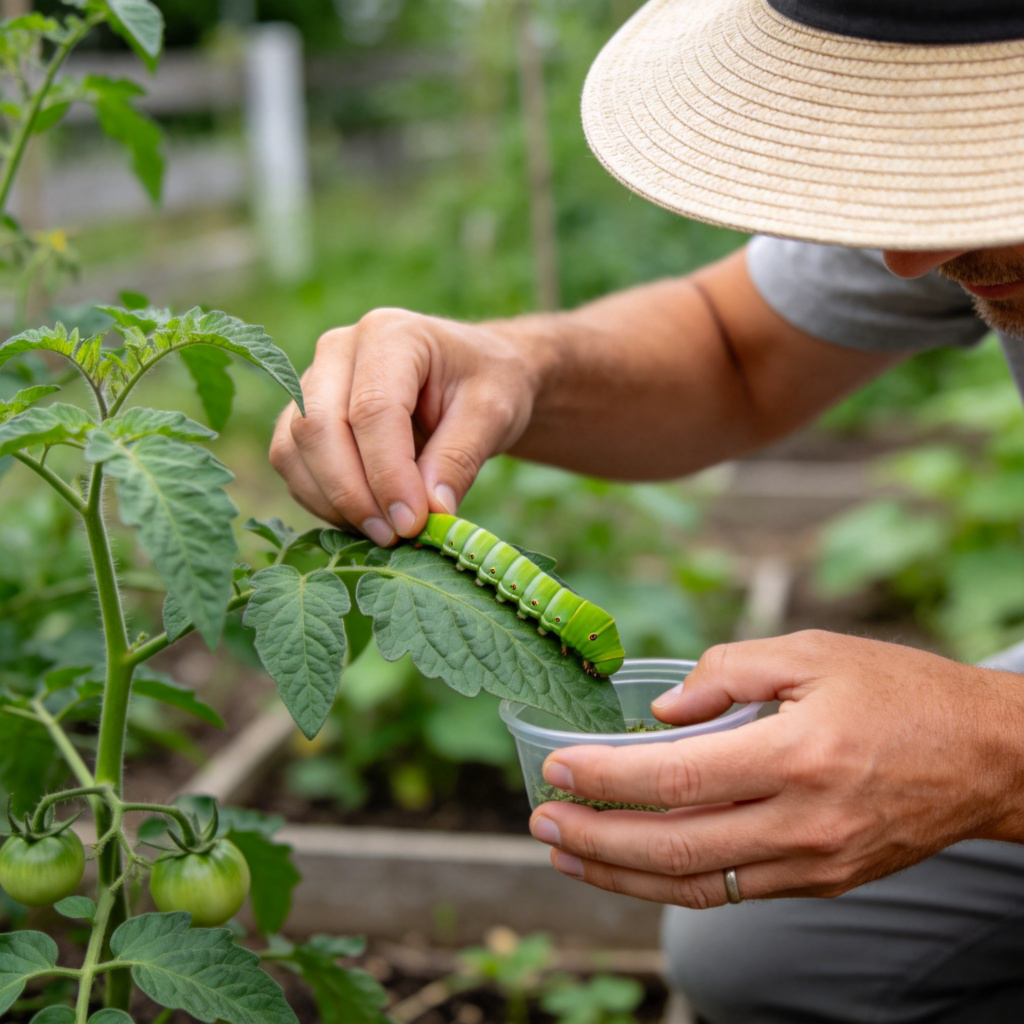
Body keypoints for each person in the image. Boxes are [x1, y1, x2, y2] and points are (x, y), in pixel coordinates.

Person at [269, 1, 1024, 1020]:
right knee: (767, 951)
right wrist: (517, 364)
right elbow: (737, 348)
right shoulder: (944, 178)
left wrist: (992, 750)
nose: (905, 259)